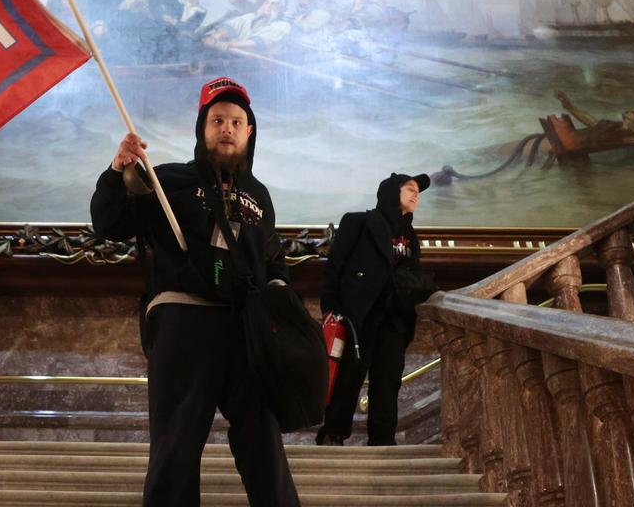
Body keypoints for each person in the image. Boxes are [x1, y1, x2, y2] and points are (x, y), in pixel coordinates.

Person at [91, 77, 301, 507]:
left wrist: (282, 305)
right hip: (184, 325)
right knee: (176, 448)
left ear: (249, 132)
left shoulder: (259, 196)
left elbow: (272, 262)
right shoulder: (167, 181)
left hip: (246, 330)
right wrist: (117, 172)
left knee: (266, 448)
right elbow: (109, 224)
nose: (226, 127)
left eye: (236, 121)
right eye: (217, 119)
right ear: (202, 129)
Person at [317, 172, 433, 446]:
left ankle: (382, 441)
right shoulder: (358, 222)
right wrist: (331, 308)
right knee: (349, 377)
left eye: (418, 191)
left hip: (394, 319)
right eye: (409, 188)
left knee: (389, 380)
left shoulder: (410, 237)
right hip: (359, 316)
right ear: (391, 191)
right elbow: (335, 268)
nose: (416, 195)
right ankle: (333, 433)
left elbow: (411, 277)